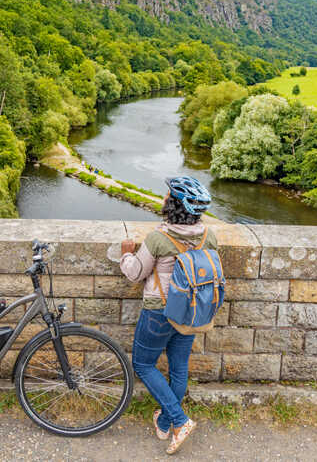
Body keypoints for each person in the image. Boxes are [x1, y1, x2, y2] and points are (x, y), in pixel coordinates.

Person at [120, 176, 217, 455]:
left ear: (174, 204)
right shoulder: (209, 236)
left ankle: (179, 420)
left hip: (159, 313)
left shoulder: (158, 238)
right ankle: (164, 422)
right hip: (190, 312)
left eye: (167, 196)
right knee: (178, 368)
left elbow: (136, 274)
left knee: (143, 364)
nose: (163, 198)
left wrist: (126, 254)